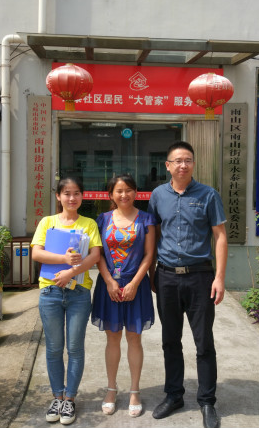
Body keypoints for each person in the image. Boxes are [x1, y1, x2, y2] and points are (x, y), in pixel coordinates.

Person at [147, 141, 227, 428]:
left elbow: (220, 236)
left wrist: (219, 277)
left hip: (200, 277)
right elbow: (154, 234)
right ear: (168, 165)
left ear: (193, 164)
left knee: (203, 342)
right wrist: (151, 272)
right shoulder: (158, 195)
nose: (183, 165)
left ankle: (207, 401)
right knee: (170, 340)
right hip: (167, 276)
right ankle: (174, 395)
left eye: (188, 160)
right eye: (178, 160)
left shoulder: (208, 195)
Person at [31, 177, 102, 425]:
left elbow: (95, 256)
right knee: (53, 348)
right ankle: (57, 397)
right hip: (50, 292)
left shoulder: (89, 224)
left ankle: (70, 399)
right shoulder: (47, 222)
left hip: (78, 293)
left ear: (82, 196)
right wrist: (63, 259)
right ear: (58, 196)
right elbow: (36, 252)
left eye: (76, 193)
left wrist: (71, 272)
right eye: (67, 193)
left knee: (74, 348)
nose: (72, 198)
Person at [91, 174, 156, 418]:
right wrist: (109, 281)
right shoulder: (102, 219)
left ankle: (134, 391)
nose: (124, 194)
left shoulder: (147, 219)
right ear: (111, 194)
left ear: (136, 192)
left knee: (134, 339)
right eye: (119, 191)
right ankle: (111, 389)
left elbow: (149, 255)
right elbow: (98, 254)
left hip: (135, 286)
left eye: (129, 190)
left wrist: (135, 283)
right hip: (109, 286)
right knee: (113, 339)